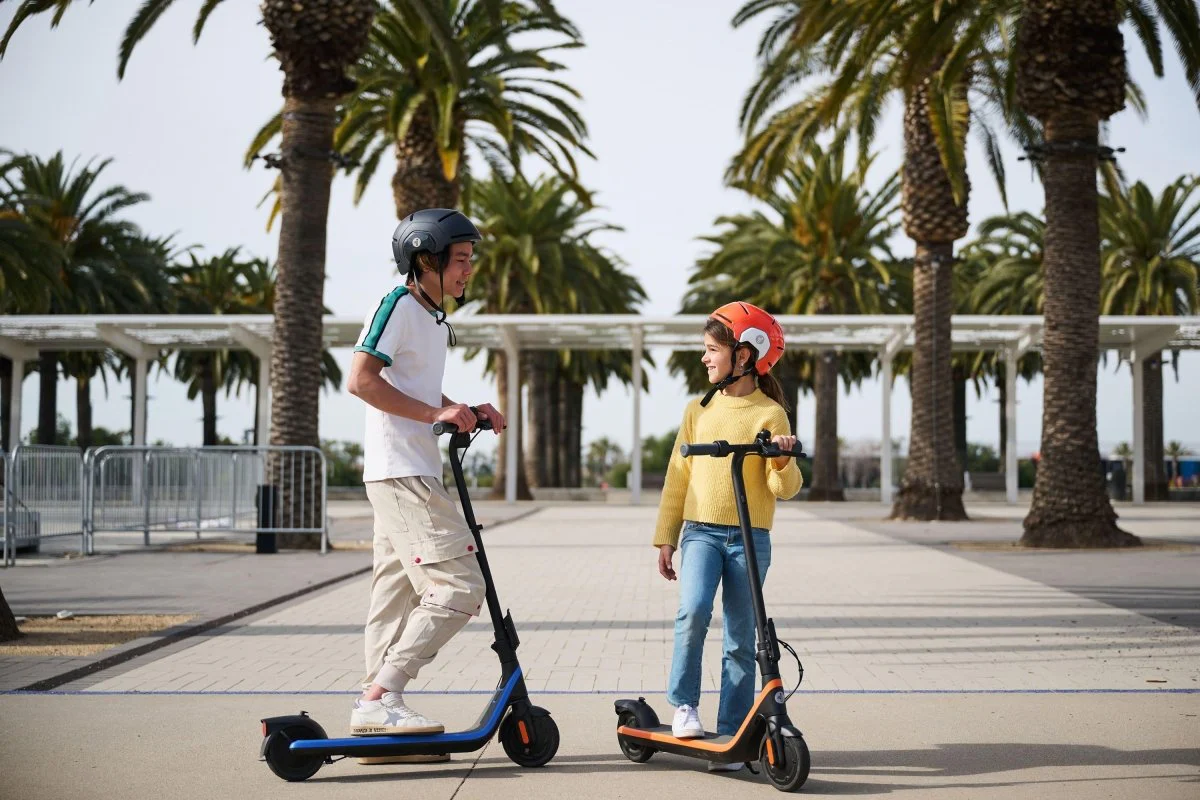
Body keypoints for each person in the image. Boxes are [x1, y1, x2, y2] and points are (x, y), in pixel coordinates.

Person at [347, 208, 506, 738]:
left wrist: (463, 409)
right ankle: (383, 694)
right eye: (459, 260)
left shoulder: (432, 317)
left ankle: (374, 718)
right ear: (424, 260)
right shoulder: (398, 304)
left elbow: (415, 391)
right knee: (460, 585)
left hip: (410, 471)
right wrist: (435, 415)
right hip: (402, 472)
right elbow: (362, 380)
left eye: (469, 260)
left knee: (393, 596)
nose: (467, 271)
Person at [653, 301, 803, 772]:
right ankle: (684, 705)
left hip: (751, 538)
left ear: (744, 355)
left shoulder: (771, 414)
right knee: (694, 609)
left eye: (711, 349)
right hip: (700, 533)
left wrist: (780, 457)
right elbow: (678, 475)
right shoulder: (698, 410)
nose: (704, 358)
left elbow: (786, 488)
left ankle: (733, 728)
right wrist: (666, 536)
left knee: (741, 636)